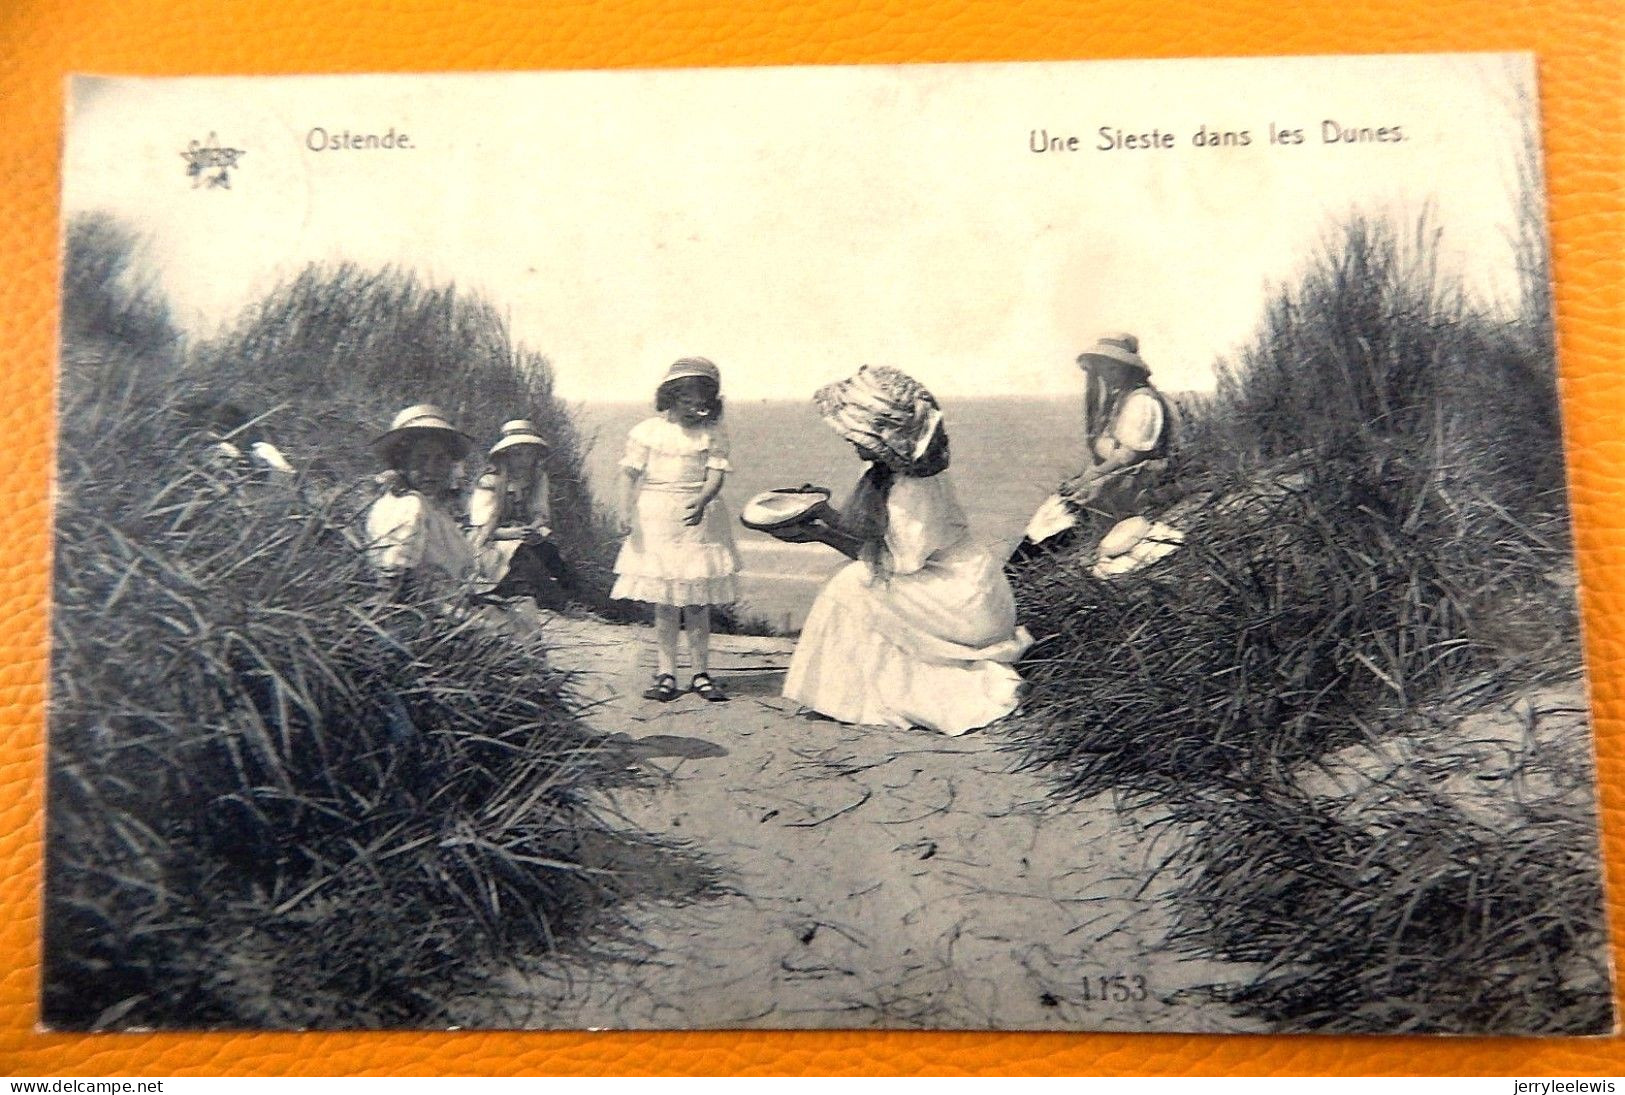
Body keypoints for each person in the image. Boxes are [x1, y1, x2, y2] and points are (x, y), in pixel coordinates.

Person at [772, 365, 1031, 736]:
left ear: (882, 436)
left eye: (854, 434)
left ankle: (847, 696)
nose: (849, 442)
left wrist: (823, 528)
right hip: (957, 584)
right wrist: (823, 522)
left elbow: (893, 563)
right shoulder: (896, 473)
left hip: (964, 599)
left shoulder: (912, 490)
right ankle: (851, 695)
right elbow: (878, 540)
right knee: (858, 583)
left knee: (853, 586)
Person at [612, 358, 742, 703]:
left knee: (698, 601)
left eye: (701, 402)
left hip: (698, 518)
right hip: (657, 518)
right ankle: (666, 672)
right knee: (666, 603)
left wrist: (701, 500)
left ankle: (701, 673)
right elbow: (629, 475)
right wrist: (625, 510)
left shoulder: (712, 431)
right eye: (686, 400)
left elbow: (716, 473)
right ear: (671, 396)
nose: (694, 408)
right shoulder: (647, 432)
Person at [1012, 332, 1175, 561]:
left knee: (1059, 522)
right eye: (1103, 369)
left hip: (1133, 483)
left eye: (1113, 368)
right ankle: (1022, 568)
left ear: (1129, 369)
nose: (1107, 375)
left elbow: (1126, 457)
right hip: (1116, 479)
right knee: (1050, 517)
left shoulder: (1142, 402)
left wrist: (1086, 480)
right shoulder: (1123, 399)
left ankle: (1028, 568)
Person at [364, 403, 477, 596]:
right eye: (420, 459)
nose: (431, 470)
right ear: (402, 462)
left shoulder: (433, 508)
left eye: (440, 460)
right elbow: (393, 578)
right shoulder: (407, 504)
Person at [467, 419, 579, 608]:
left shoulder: (537, 478)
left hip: (525, 536)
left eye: (529, 455)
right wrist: (513, 534)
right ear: (505, 456)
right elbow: (481, 528)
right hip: (494, 541)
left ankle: (579, 597)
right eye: (517, 455)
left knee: (553, 558)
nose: (523, 461)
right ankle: (549, 598)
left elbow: (540, 513)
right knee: (527, 567)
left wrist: (533, 528)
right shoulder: (490, 482)